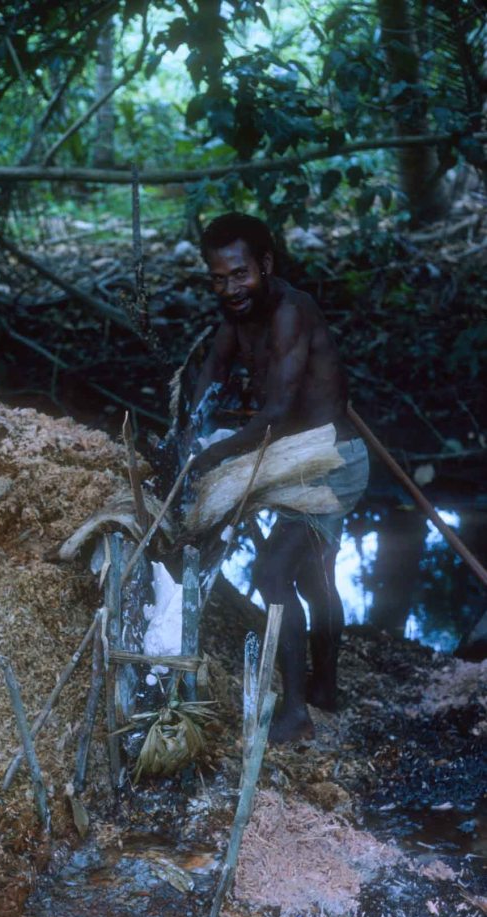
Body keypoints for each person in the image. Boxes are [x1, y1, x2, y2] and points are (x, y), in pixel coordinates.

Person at [184, 212, 369, 743]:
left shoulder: (291, 312)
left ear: (265, 264)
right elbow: (213, 371)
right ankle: (325, 687)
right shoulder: (239, 315)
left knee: (271, 574)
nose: (230, 289)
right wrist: (189, 428)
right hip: (289, 460)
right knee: (311, 578)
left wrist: (212, 455)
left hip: (331, 463)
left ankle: (296, 712)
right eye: (218, 279)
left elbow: (278, 411)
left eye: (239, 274)